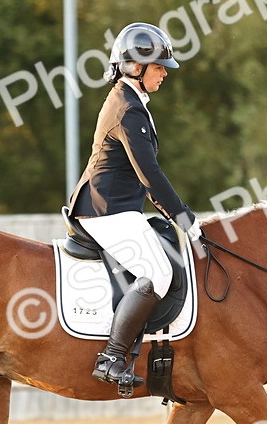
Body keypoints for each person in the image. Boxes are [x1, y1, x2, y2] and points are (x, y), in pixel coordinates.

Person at [68, 22, 202, 388]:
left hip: (116, 206)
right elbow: (150, 175)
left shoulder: (130, 102)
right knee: (158, 272)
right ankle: (111, 357)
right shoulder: (127, 108)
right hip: (106, 209)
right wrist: (184, 218)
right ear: (134, 67)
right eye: (158, 67)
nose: (164, 73)